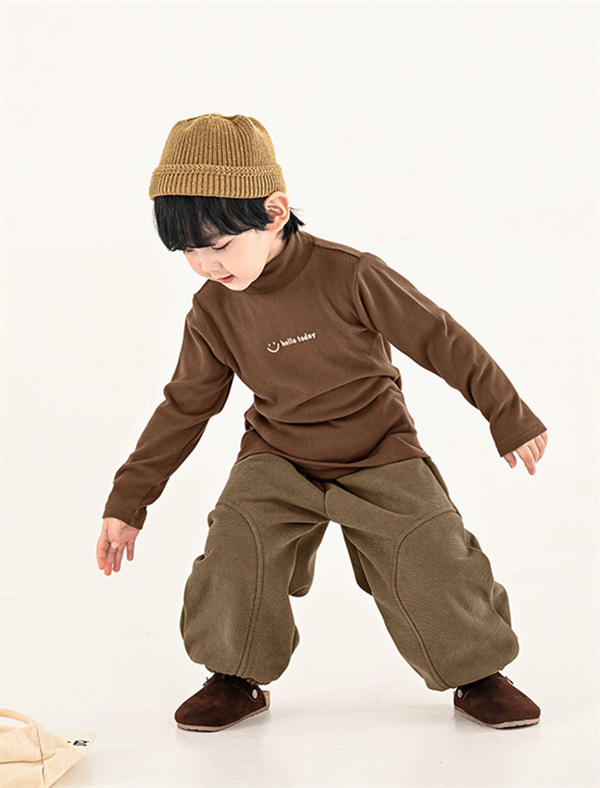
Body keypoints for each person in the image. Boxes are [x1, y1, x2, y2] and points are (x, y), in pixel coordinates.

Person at [96, 113, 548, 733]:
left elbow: (438, 337)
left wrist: (507, 413)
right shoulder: (212, 310)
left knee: (432, 555)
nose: (204, 265)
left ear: (274, 212)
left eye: (218, 245)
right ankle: (233, 677)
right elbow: (185, 407)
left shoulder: (350, 274)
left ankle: (479, 675)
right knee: (237, 545)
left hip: (378, 449)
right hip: (278, 456)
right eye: (188, 252)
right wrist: (129, 500)